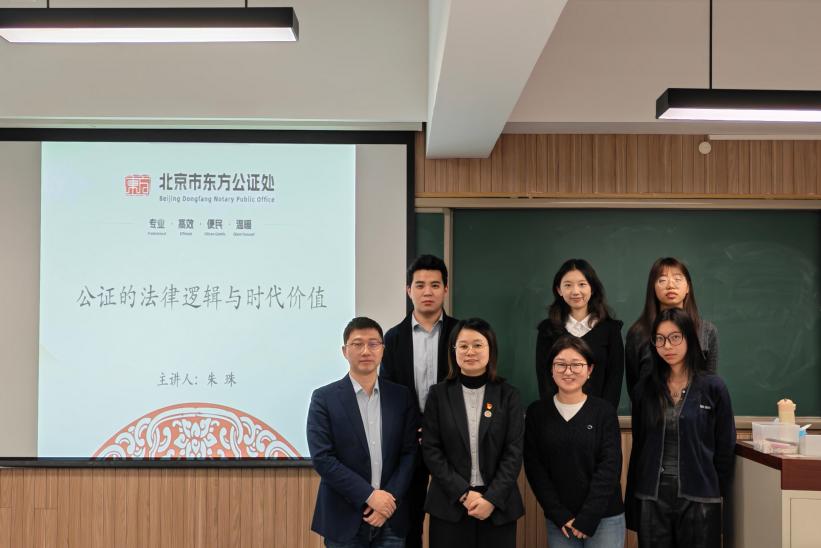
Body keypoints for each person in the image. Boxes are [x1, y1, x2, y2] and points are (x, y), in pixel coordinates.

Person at [626, 308, 735, 548]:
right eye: (660, 339)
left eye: (675, 337)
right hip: (653, 496)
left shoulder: (713, 387)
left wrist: (716, 491)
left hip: (700, 497)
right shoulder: (644, 389)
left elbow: (725, 448)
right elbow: (639, 446)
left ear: (690, 338)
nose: (667, 346)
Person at [308, 317, 419, 548]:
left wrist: (387, 500)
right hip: (343, 516)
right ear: (344, 351)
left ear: (383, 350)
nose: (366, 351)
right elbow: (323, 458)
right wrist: (370, 496)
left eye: (373, 344)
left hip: (391, 515)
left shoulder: (401, 396)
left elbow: (409, 453)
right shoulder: (324, 398)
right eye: (357, 344)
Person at [421, 318, 524, 548]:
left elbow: (513, 452)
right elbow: (431, 449)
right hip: (450, 505)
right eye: (463, 346)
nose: (470, 352)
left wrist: (491, 498)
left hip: (497, 507)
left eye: (478, 345)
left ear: (490, 349)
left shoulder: (508, 395)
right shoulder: (438, 395)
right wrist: (463, 493)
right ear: (454, 351)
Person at [381, 254, 460, 548]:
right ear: (408, 290)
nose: (428, 292)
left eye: (435, 285)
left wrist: (438, 427)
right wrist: (415, 427)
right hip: (409, 441)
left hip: (452, 441)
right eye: (420, 285)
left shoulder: (461, 334)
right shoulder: (393, 338)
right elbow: (389, 393)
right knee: (409, 519)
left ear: (445, 289)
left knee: (452, 517)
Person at [525, 336, 625, 547]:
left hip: (604, 517)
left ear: (589, 369)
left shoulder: (604, 411)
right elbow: (535, 469)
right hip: (561, 521)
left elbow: (610, 467)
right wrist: (558, 514)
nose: (568, 371)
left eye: (576, 364)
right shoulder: (537, 413)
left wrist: (588, 516)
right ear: (551, 369)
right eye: (560, 364)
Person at [535, 259, 624, 409]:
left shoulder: (610, 329)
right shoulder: (547, 330)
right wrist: (553, 415)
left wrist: (605, 415)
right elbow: (544, 378)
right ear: (559, 290)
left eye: (582, 284)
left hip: (599, 416)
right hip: (558, 414)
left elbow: (614, 378)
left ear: (592, 288)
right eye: (568, 285)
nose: (575, 291)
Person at [625, 257, 719, 400]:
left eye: (677, 279)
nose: (670, 285)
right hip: (651, 411)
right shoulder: (638, 333)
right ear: (653, 287)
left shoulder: (707, 331)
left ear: (687, 287)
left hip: (695, 411)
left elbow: (711, 385)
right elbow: (634, 388)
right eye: (662, 280)